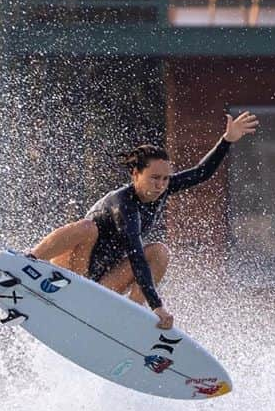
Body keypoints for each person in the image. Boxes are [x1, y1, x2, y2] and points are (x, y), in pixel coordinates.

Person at [30, 111, 259, 330]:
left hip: (98, 287)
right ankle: (28, 262)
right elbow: (136, 255)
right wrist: (157, 305)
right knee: (87, 228)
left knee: (159, 252)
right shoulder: (123, 204)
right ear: (136, 175)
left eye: (165, 179)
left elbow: (201, 173)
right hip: (71, 273)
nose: (160, 185)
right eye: (154, 178)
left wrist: (227, 140)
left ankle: (128, 314)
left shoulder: (164, 189)